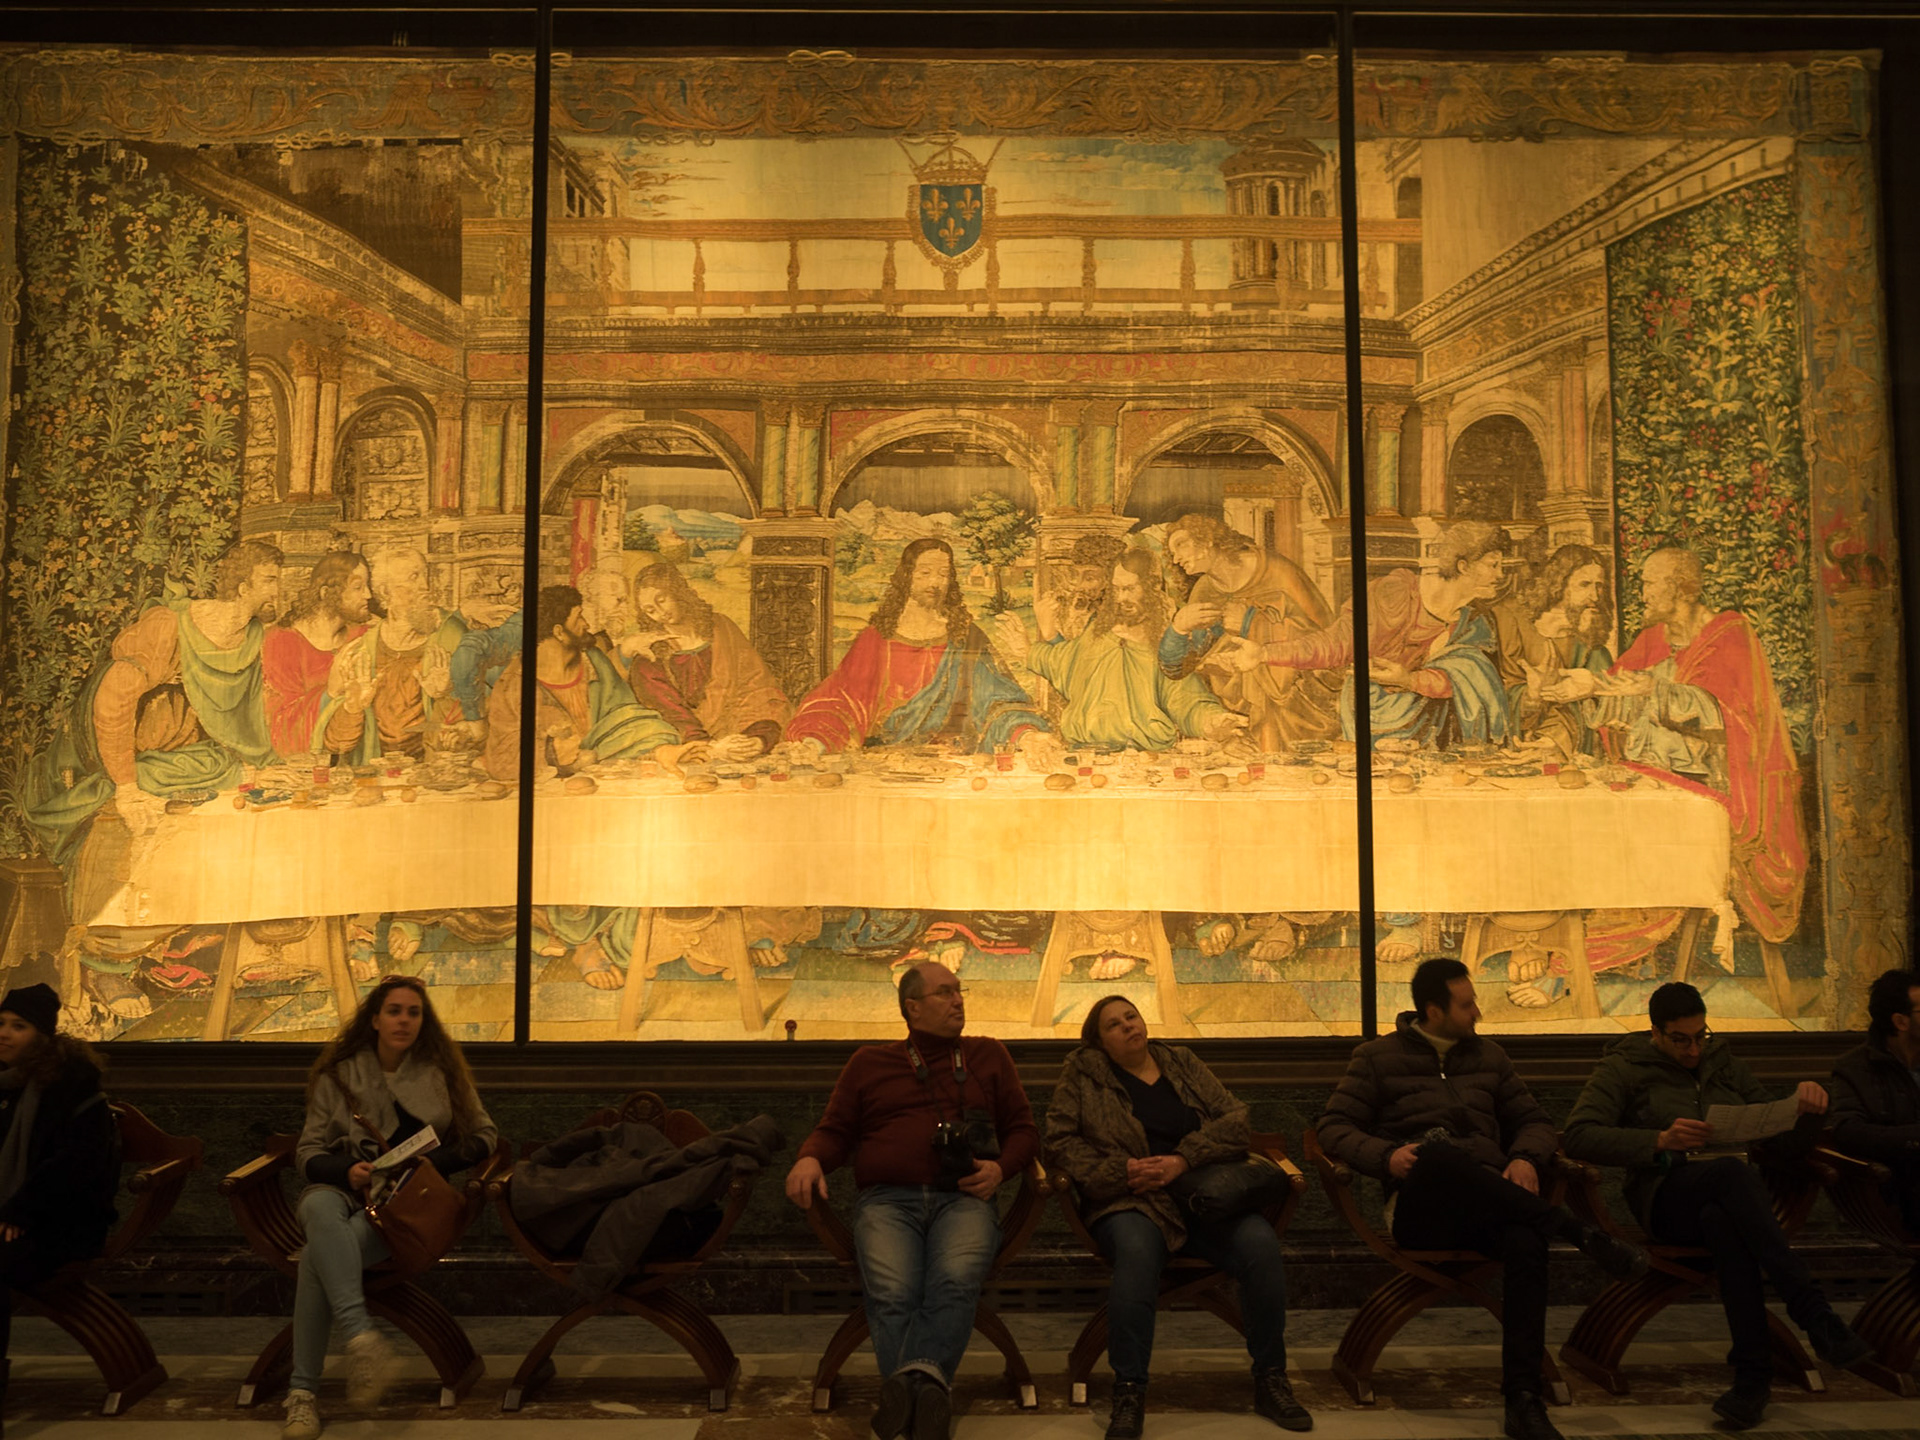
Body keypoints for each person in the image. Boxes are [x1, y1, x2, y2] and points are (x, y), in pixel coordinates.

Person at [1317, 958, 1646, 1440]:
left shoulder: (1490, 1057)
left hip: (1493, 1203)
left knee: (1526, 1242)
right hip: (1420, 1208)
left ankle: (1523, 1398)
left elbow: (1534, 1121)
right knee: (1440, 1155)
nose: (1478, 1013)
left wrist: (1526, 1159)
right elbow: (1332, 1128)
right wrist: (1386, 1157)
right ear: (1433, 1010)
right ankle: (1576, 1231)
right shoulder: (1376, 1058)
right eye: (1467, 1004)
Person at [1562, 982, 1872, 1430]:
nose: (1693, 1050)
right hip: (1666, 1200)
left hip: (1729, 1202)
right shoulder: (1624, 1067)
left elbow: (1780, 1138)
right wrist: (1658, 1140)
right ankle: (1812, 1312)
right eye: (1680, 1039)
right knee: (1731, 1175)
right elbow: (1579, 1134)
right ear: (1655, 1033)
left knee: (1725, 1219)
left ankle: (1752, 1382)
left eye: (1700, 1036)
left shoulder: (1722, 1063)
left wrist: (1808, 1111)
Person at [784, 961, 1038, 1440]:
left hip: (963, 1199)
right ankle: (928, 1394)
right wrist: (809, 1159)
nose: (958, 1000)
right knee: (893, 1291)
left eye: (960, 991)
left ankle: (906, 1394)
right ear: (912, 1007)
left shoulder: (988, 1056)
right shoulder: (869, 1063)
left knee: (955, 1280)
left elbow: (1024, 1130)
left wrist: (1001, 1168)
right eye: (945, 993)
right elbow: (835, 1131)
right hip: (887, 1201)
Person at [1046, 995, 1308, 1438]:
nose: (1129, 1026)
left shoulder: (1180, 1061)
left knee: (1260, 1245)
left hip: (1201, 1195)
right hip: (1130, 1199)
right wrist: (1123, 1172)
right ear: (1099, 1042)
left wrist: (1183, 1159)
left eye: (1132, 1016)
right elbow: (1059, 1143)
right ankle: (1129, 1390)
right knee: (1136, 1253)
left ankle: (1271, 1378)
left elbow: (1236, 1120)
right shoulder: (1083, 1074)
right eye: (1114, 1024)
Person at [1543, 546, 1808, 949]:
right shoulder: (1653, 639)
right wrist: (1588, 686)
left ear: (1681, 587)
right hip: (1658, 778)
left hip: (1717, 786)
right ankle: (1567, 941)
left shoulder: (1730, 636)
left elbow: (1732, 720)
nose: (1642, 592)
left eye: (1649, 582)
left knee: (1634, 835)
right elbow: (1620, 693)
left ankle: (1593, 948)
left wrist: (1657, 689)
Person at [284, 976, 499, 1440]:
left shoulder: (441, 1072)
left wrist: (432, 1163)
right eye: (395, 1011)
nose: (404, 1020)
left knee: (315, 1264)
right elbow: (307, 1154)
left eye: (414, 1012)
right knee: (319, 1209)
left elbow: (485, 1137)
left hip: (405, 1205)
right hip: (345, 1192)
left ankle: (302, 1396)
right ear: (376, 1019)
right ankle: (360, 1337)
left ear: (424, 1021)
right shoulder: (339, 1074)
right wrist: (346, 1171)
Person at [1225, 520, 1509, 750]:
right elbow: (1337, 644)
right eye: (1493, 564)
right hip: (1371, 717)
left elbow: (1466, 682)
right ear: (1463, 565)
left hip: (1433, 731)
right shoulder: (1394, 594)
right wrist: (1265, 653)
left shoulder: (1473, 623)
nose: (1501, 574)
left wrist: (1409, 680)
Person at [785, 538, 1056, 763]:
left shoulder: (966, 637)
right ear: (907, 577)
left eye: (943, 574)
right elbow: (841, 700)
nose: (935, 583)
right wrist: (814, 742)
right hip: (882, 763)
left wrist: (1026, 735)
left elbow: (999, 699)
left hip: (956, 763)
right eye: (924, 573)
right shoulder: (877, 639)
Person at [0, 984, 119, 1424]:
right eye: (0, 1023)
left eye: (19, 1026)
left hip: (62, 1225)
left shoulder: (69, 1085)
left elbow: (74, 1166)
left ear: (44, 1036)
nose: (4, 1034)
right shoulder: (7, 1085)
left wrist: (18, 1211)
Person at [996, 550, 1245, 752]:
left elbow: (1187, 699)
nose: (1120, 597)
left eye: (1130, 589)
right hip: (1083, 752)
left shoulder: (1166, 641)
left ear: (1152, 587)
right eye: (1116, 589)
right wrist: (1030, 648)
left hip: (1143, 756)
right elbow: (1068, 665)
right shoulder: (1100, 630)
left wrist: (1212, 721)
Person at [1156, 514, 1341, 749]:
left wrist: (1250, 623)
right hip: (1239, 709)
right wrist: (1179, 629)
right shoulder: (1204, 590)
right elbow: (1179, 668)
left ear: (1208, 539)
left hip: (1294, 708)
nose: (1176, 557)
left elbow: (1327, 641)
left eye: (1180, 545)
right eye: (1172, 552)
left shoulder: (1277, 571)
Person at [483, 584, 698, 783]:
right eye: (579, 618)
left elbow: (627, 716)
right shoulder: (514, 684)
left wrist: (660, 748)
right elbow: (502, 755)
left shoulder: (593, 660)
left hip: (607, 774)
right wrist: (552, 753)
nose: (586, 624)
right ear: (559, 632)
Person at [622, 561, 791, 759]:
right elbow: (670, 714)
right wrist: (710, 748)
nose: (661, 613)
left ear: (678, 591)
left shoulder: (722, 628)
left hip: (742, 741)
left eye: (662, 599)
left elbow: (758, 689)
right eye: (650, 610)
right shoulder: (648, 658)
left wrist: (758, 737)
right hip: (688, 752)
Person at [1491, 543, 1614, 762]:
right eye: (1584, 584)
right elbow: (1496, 690)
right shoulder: (1510, 617)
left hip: (1565, 747)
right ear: (1559, 582)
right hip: (1515, 739)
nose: (1595, 596)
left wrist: (1554, 739)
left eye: (1600, 586)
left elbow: (1597, 704)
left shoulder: (1591, 634)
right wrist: (1531, 695)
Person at [1828, 968, 1920, 1231]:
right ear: (1901, 1022)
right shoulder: (1855, 1069)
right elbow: (1847, 1132)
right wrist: (1914, 1137)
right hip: (1897, 1191)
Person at [264, 552, 372, 759]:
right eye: (358, 587)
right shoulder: (282, 641)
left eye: (367, 586)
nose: (368, 595)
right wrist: (329, 693)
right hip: (306, 767)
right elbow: (280, 728)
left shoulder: (363, 636)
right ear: (326, 593)